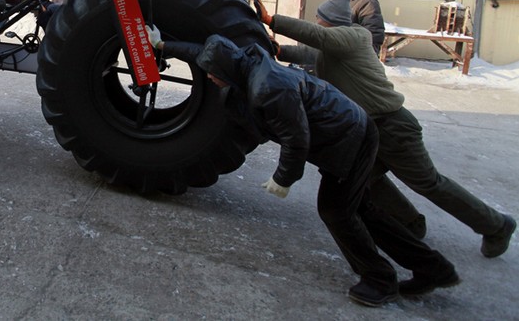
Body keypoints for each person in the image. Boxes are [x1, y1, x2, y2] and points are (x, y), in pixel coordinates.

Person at [147, 30, 459, 307]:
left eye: (212, 74)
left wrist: (283, 179)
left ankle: (380, 280)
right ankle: (434, 269)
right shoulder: (243, 62)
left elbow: (297, 139)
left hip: (349, 139)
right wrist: (162, 43)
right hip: (345, 132)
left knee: (337, 211)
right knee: (362, 210)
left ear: (224, 70)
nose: (210, 79)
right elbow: (202, 52)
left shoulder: (268, 88)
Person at [252, 0, 516, 258]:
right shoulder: (336, 46)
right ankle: (410, 223)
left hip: (393, 126)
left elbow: (319, 39)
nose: (316, 23)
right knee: (367, 179)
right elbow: (312, 51)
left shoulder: (355, 37)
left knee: (429, 183)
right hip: (367, 129)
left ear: (332, 22)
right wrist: (280, 51)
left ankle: (496, 225)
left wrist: (272, 20)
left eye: (320, 19)